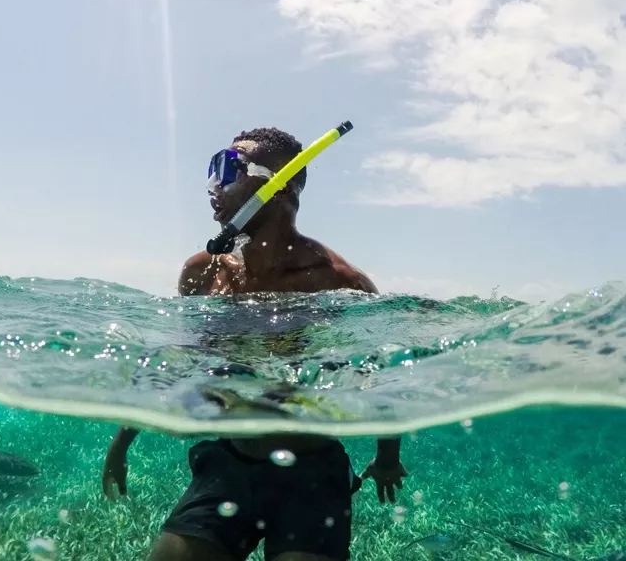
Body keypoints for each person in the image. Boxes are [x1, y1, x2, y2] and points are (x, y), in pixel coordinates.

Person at [101, 127, 408, 561]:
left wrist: (387, 458)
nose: (213, 186)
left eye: (227, 168)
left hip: (312, 473)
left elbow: (379, 380)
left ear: (277, 182)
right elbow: (183, 362)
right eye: (212, 170)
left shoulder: (340, 284)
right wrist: (121, 441)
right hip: (226, 463)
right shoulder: (202, 272)